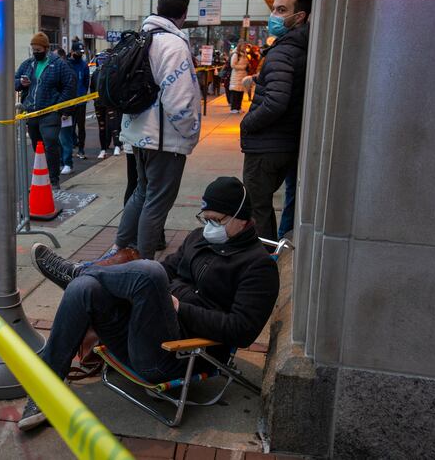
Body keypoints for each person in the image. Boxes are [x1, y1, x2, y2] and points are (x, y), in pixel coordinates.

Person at [17, 177, 280, 431]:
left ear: (241, 219)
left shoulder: (258, 266)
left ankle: (78, 271)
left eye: (216, 220)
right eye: (205, 218)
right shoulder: (198, 238)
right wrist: (170, 295)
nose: (209, 226)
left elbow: (242, 330)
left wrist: (179, 307)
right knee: (86, 288)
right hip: (141, 334)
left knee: (150, 272)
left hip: (176, 356)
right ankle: (44, 389)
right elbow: (168, 271)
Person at [100, 0, 201, 264]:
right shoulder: (174, 45)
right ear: (184, 12)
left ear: (159, 7)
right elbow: (179, 100)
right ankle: (143, 266)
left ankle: (120, 248)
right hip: (164, 140)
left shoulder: (142, 38)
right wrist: (190, 133)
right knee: (156, 203)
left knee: (141, 193)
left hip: (138, 135)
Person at [241, 0, 311, 242]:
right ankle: (272, 252)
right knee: (271, 205)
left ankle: (260, 264)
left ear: (299, 16)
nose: (275, 16)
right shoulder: (298, 47)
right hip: (282, 141)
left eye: (282, 10)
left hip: (267, 145)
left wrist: (247, 123)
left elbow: (276, 102)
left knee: (257, 210)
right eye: (274, 9)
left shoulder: (284, 50)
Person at [15, 32, 76, 189]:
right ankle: (41, 179)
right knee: (38, 148)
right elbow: (14, 81)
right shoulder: (28, 64)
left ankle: (53, 180)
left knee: (50, 145)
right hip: (32, 112)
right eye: (33, 49)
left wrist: (58, 107)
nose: (36, 53)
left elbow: (70, 85)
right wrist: (21, 83)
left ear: (46, 48)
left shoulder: (59, 64)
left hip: (50, 113)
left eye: (38, 49)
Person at [67, 41, 90, 161]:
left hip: (81, 101)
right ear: (72, 52)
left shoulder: (84, 65)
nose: (80, 55)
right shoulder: (66, 63)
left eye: (81, 53)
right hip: (68, 101)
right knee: (69, 127)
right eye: (78, 52)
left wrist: (82, 95)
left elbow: (86, 82)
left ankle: (81, 149)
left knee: (81, 126)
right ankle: (69, 148)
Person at [228, 46, 249, 113]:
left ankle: (238, 107)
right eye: (244, 46)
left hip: (243, 76)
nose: (245, 48)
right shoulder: (236, 55)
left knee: (240, 93)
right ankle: (234, 108)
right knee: (235, 93)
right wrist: (243, 67)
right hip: (236, 76)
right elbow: (233, 65)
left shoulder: (245, 55)